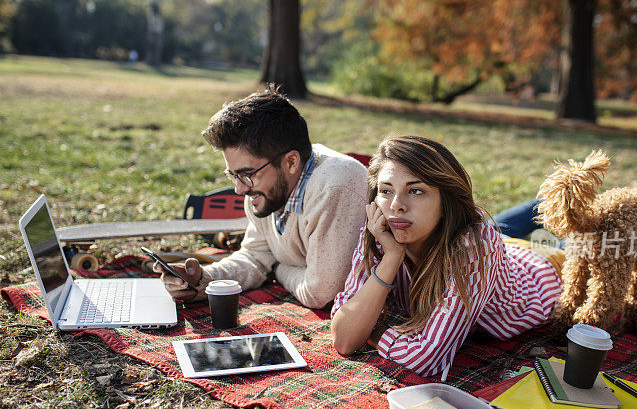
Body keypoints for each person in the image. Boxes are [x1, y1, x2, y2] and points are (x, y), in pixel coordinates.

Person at [330, 135, 563, 377]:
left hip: (542, 273)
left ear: (446, 200)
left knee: (582, 234)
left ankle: (563, 194)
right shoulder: (382, 227)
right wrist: (391, 257)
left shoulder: (476, 248)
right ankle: (549, 198)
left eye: (416, 190)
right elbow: (344, 339)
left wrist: (374, 332)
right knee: (501, 226)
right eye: (386, 190)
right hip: (499, 249)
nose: (396, 205)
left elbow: (426, 359)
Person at [155, 88, 367, 309]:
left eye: (247, 174)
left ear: (291, 162)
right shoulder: (266, 190)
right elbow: (256, 258)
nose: (239, 189)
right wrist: (201, 280)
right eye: (234, 175)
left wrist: (278, 269)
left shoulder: (334, 186)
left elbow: (321, 293)